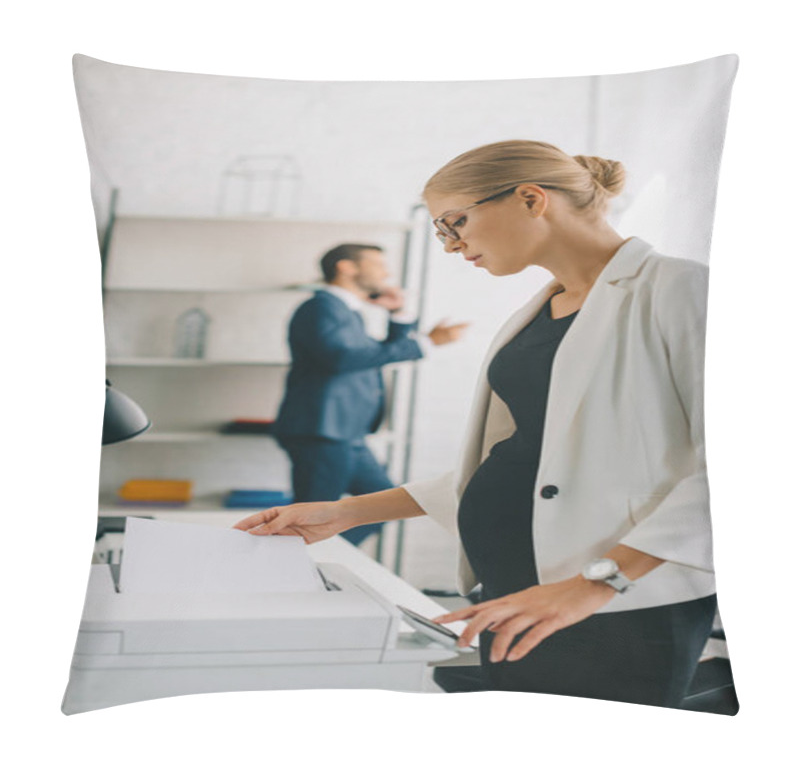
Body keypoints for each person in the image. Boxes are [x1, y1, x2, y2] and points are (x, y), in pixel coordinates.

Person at [236, 140, 719, 708]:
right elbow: (526, 456)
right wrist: (344, 511)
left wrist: (595, 584)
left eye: (455, 222)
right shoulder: (543, 308)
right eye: (442, 230)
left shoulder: (681, 288)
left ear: (531, 199)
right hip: (518, 582)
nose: (451, 244)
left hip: (613, 596)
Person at [272, 242, 468, 546]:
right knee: (308, 517)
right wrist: (425, 343)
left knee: (381, 507)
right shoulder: (320, 307)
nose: (386, 273)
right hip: (322, 430)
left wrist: (399, 314)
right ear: (346, 267)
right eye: (378, 264)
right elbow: (343, 358)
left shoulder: (345, 311)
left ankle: (316, 557)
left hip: (344, 433)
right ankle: (298, 566)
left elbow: (373, 353)